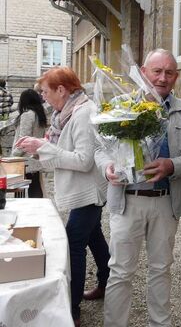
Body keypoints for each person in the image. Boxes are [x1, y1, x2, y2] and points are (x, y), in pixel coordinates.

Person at [95, 49, 181, 327]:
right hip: (127, 200)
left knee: (161, 269)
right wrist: (108, 168)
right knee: (120, 271)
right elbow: (100, 148)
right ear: (143, 72)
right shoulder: (120, 105)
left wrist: (172, 165)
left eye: (169, 72)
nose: (163, 78)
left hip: (165, 201)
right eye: (157, 71)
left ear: (176, 77)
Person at [15, 67, 110, 327]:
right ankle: (107, 280)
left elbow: (83, 160)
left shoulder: (82, 114)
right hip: (81, 191)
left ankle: (72, 309)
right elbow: (59, 156)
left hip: (88, 193)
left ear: (61, 89)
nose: (43, 97)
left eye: (45, 91)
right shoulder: (62, 115)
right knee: (94, 236)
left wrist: (43, 147)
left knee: (73, 244)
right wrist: (38, 151)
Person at [11, 89, 48, 198]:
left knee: (19, 189)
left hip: (23, 159)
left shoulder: (27, 115)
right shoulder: (40, 114)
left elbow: (24, 139)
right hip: (36, 156)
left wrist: (14, 154)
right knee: (35, 187)